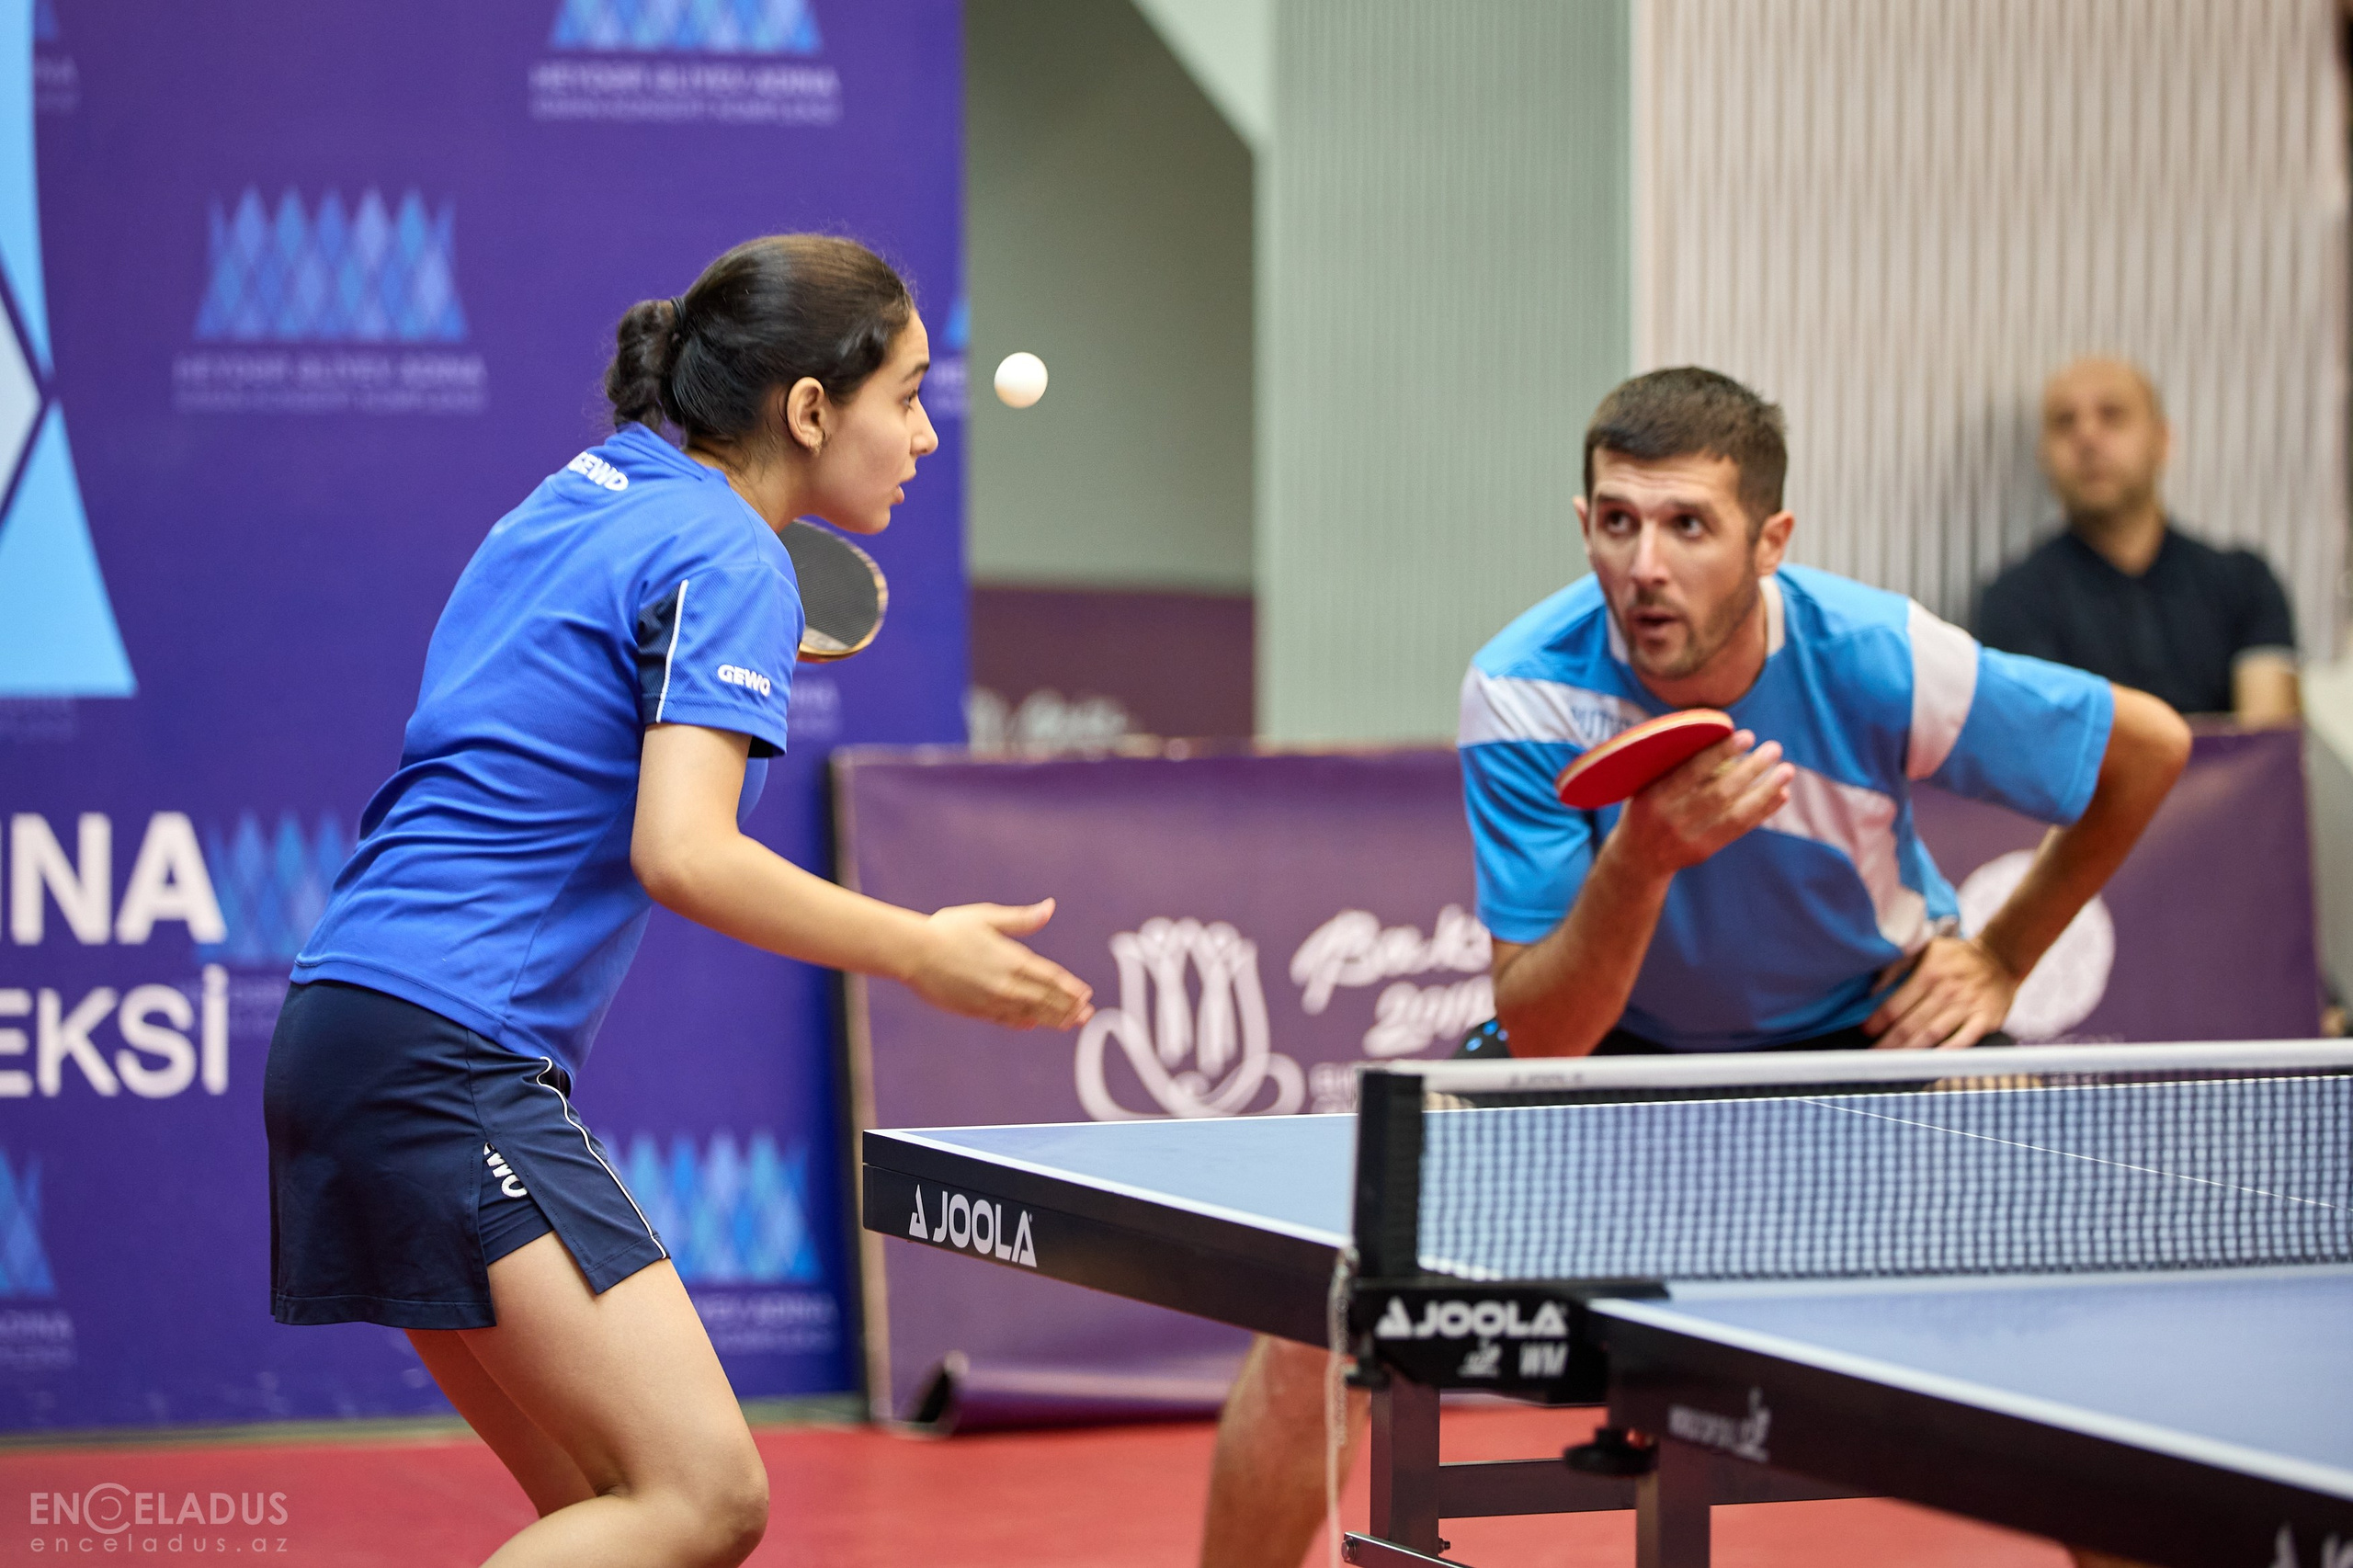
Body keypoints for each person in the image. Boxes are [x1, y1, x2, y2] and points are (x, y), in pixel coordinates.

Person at [1197, 367, 2189, 1568]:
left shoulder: (1878, 658)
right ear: (1584, 525)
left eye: (1688, 526)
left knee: (2088, 1272)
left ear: (1771, 540)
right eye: (1618, 521)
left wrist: (2001, 955)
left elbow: (2147, 748)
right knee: (1329, 1289)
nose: (1646, 566)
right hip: (1615, 1059)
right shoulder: (1526, 689)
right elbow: (1547, 1033)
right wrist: (1644, 859)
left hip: (1866, 1039)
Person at [266, 234, 1096, 1568]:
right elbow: (686, 853)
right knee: (705, 1495)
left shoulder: (590, 491)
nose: (925, 436)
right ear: (812, 409)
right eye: (907, 394)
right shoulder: (733, 558)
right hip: (447, 1052)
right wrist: (919, 952)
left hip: (343, 1029)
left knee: (610, 1505)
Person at [1976, 357, 2300, 725]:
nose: (2087, 437)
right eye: (2065, 422)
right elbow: (2046, 751)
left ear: (2162, 441)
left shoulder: (2244, 583)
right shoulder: (2015, 599)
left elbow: (2266, 750)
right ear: (2044, 456)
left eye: (2112, 415)